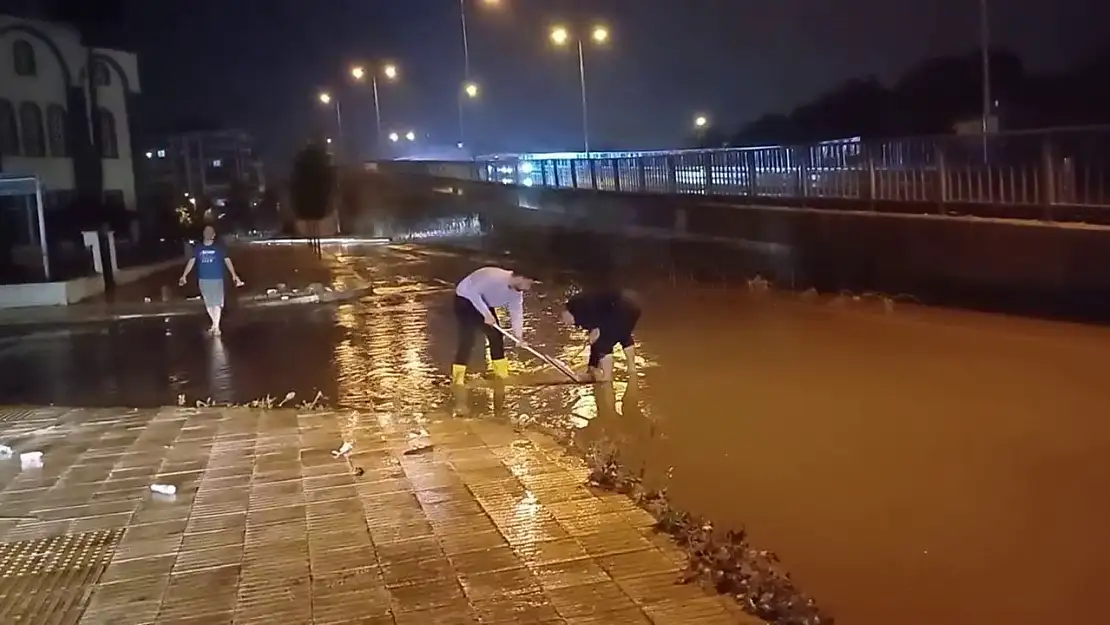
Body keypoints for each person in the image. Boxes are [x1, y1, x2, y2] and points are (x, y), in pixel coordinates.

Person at [452, 266, 535, 386]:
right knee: (468, 339)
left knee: (496, 336)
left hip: (485, 302)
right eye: (528, 283)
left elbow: (516, 313)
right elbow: (472, 292)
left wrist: (519, 336)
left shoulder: (516, 294)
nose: (529, 288)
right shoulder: (494, 278)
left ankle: (501, 375)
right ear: (520, 278)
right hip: (465, 299)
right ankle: (457, 379)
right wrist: (486, 314)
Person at [561, 287, 641, 382]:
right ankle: (632, 370)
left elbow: (594, 301)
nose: (568, 324)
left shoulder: (575, 304)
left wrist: (596, 327)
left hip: (620, 309)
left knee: (604, 343)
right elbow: (594, 343)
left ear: (565, 313)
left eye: (566, 321)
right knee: (623, 335)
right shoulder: (580, 316)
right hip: (631, 308)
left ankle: (607, 379)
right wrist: (592, 365)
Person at [179, 224, 244, 336]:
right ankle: (214, 325)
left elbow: (227, 260)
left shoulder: (219, 248)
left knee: (217, 302)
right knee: (208, 303)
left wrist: (234, 275)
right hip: (203, 279)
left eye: (210, 232)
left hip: (217, 278)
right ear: (204, 234)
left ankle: (216, 326)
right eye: (206, 231)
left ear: (213, 235)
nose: (208, 233)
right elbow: (192, 261)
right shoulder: (198, 248)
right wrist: (184, 275)